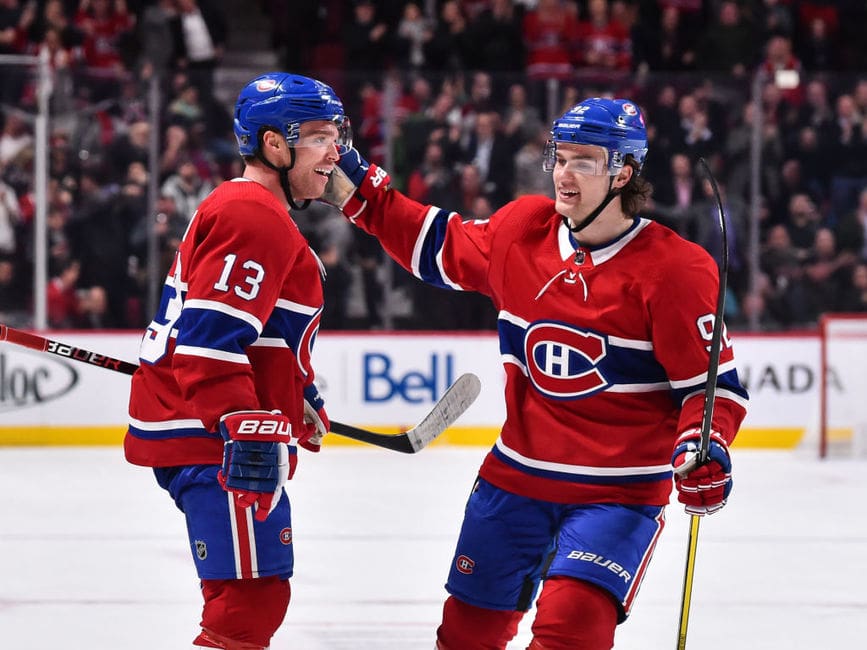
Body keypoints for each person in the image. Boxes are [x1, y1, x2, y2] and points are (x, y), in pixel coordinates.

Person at [321, 98, 749, 649]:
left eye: (584, 162)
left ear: (624, 171)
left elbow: (715, 392)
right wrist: (362, 187)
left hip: (616, 495)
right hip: (515, 480)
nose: (564, 175)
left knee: (571, 631)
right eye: (560, 157)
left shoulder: (677, 269)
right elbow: (435, 244)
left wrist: (704, 445)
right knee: (465, 636)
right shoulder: (523, 229)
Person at [124, 72, 350, 649]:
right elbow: (206, 344)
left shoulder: (246, 207)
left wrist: (293, 391)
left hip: (205, 431)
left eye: (337, 135)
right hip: (211, 440)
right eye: (321, 137)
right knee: (248, 603)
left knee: (253, 599)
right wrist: (239, 423)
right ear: (274, 144)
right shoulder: (253, 216)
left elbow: (248, 333)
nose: (336, 152)